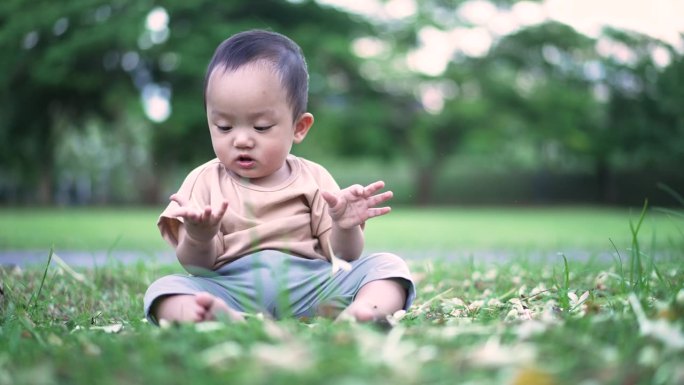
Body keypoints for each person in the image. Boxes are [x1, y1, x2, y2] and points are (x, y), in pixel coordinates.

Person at [143, 29, 415, 325]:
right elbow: (198, 266)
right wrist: (199, 235)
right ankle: (223, 318)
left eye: (260, 127)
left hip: (311, 288)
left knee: (388, 266)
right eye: (223, 127)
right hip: (232, 288)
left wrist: (344, 226)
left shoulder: (314, 178)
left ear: (299, 127)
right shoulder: (204, 181)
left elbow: (343, 256)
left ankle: (362, 313)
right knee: (165, 290)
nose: (242, 140)